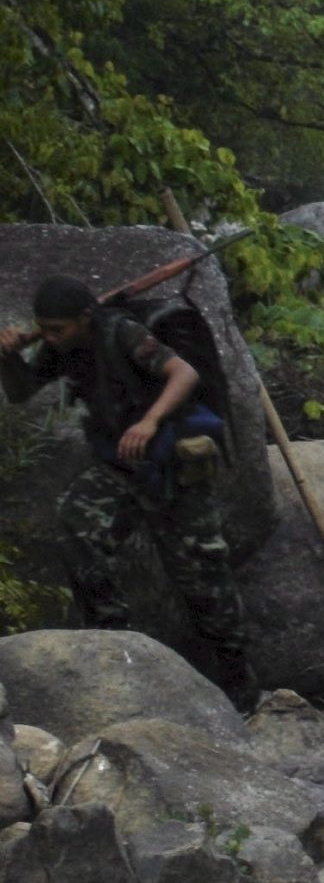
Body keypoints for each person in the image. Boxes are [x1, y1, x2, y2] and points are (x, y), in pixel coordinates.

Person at [0, 274, 257, 709]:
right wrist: (7, 356)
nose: (51, 336)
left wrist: (149, 420)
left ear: (84, 318)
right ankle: (113, 639)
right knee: (77, 524)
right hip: (122, 468)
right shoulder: (63, 347)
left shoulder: (123, 332)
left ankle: (238, 678)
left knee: (200, 575)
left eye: (58, 328)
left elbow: (183, 373)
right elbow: (22, 392)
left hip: (174, 464)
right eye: (45, 328)